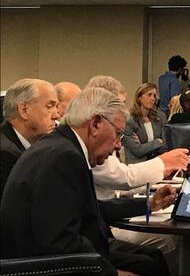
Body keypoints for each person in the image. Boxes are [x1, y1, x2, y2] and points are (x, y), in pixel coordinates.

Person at [1, 88, 176, 276]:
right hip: (44, 265)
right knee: (149, 266)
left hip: (50, 255)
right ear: (95, 124)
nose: (118, 144)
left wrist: (148, 204)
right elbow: (61, 243)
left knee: (153, 259)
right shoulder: (64, 157)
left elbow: (86, 209)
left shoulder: (59, 147)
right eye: (117, 133)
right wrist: (114, 274)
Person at [0, 79, 59, 200]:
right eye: (49, 106)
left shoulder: (26, 145)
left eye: (56, 107)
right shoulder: (5, 154)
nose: (56, 115)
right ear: (24, 110)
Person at [123, 83, 168, 163]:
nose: (152, 99)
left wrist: (144, 146)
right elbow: (137, 151)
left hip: (156, 161)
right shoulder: (130, 120)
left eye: (154, 96)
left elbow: (165, 145)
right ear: (139, 97)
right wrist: (157, 141)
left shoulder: (160, 117)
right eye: (149, 95)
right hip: (137, 164)